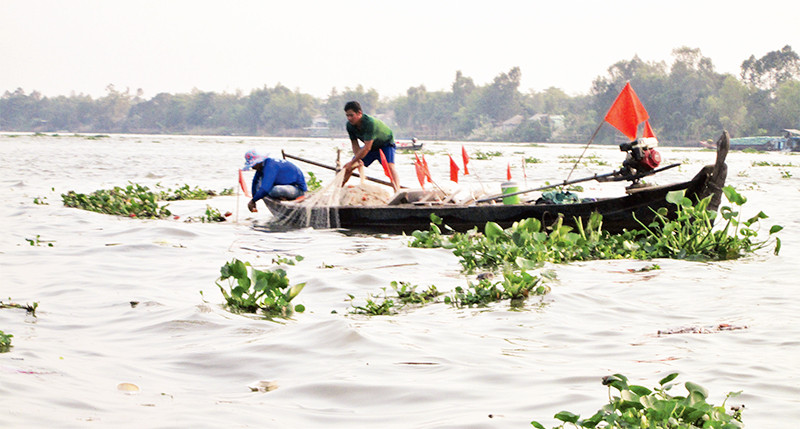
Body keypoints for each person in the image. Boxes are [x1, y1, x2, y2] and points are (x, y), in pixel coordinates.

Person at [342, 101, 400, 191]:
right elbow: (355, 144)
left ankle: (397, 191)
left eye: (351, 115)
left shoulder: (369, 123)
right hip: (371, 147)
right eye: (347, 116)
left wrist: (353, 161)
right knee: (348, 168)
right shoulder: (349, 126)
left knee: (390, 168)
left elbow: (367, 148)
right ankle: (338, 189)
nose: (349, 118)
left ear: (359, 113)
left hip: (385, 144)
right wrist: (356, 160)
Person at [242, 150, 308, 212]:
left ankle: (291, 197)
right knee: (260, 187)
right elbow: (255, 182)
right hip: (287, 185)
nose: (252, 168)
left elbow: (265, 189)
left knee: (270, 190)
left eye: (253, 165)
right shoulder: (262, 166)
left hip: (298, 190)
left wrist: (253, 201)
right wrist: (254, 199)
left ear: (258, 162)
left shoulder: (270, 166)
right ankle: (282, 197)